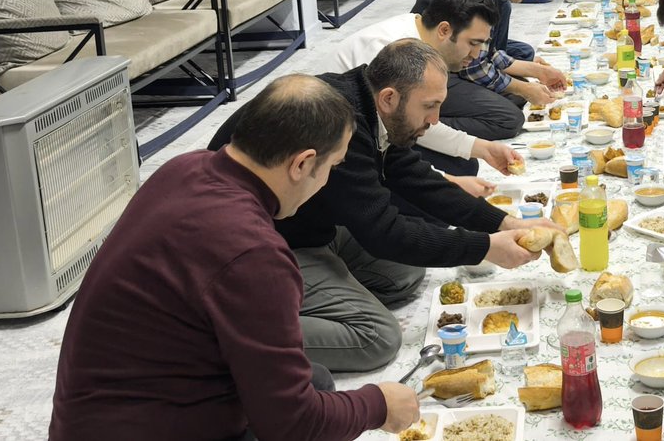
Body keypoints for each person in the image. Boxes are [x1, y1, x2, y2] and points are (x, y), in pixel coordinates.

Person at [51, 75, 421, 440]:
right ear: (302, 164)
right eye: (332, 166)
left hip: (93, 412)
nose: (328, 180)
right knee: (321, 406)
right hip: (149, 420)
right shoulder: (253, 252)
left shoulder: (185, 167)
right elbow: (293, 425)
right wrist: (379, 405)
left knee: (316, 381)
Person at [208, 41, 557, 375]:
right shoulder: (340, 122)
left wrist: (501, 223)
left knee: (405, 272)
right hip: (269, 245)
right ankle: (235, 331)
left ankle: (315, 293)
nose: (436, 119)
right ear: (389, 98)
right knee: (377, 337)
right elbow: (383, 232)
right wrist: (484, 248)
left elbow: (414, 178)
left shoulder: (371, 102)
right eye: (429, 106)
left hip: (311, 227)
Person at [332, 0, 523, 177]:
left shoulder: (421, 35)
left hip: (381, 125)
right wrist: (449, 180)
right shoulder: (389, 52)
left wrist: (483, 149)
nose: (476, 55)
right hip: (344, 143)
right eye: (473, 43)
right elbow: (393, 143)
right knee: (459, 168)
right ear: (444, 30)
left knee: (465, 162)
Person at [414, 0, 565, 134]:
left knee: (518, 92)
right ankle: (424, 125)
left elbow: (488, 53)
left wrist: (536, 71)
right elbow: (474, 66)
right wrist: (523, 88)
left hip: (451, 62)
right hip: (427, 72)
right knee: (510, 118)